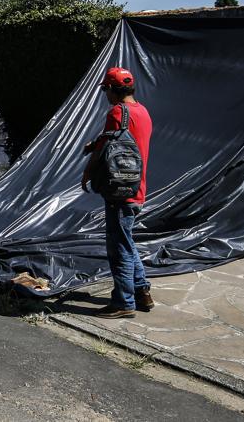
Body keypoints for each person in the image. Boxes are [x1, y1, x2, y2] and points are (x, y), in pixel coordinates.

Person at [81, 67, 153, 319]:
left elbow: (107, 150)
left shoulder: (117, 112)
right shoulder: (143, 112)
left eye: (105, 90)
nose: (105, 94)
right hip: (138, 188)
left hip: (121, 190)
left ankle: (124, 302)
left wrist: (88, 172)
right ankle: (142, 291)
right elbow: (123, 141)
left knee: (118, 247)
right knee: (127, 240)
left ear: (112, 89)